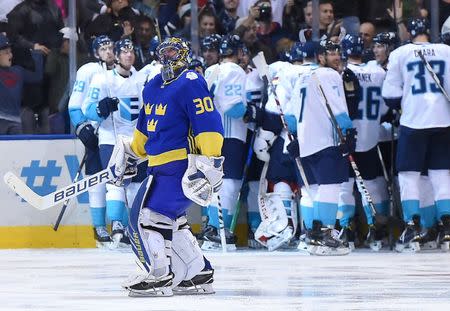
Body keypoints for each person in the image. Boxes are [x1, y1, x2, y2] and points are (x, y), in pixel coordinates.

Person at [108, 37, 224, 296]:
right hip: (157, 167)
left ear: (183, 54)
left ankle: (158, 275)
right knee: (171, 220)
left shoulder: (191, 82)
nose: (169, 57)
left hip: (182, 165)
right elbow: (144, 130)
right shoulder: (152, 86)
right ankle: (197, 272)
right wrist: (131, 151)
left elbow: (208, 122)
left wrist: (211, 160)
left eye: (174, 51)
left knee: (149, 219)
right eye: (164, 52)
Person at [382, 18, 450, 252]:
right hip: (443, 121)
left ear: (409, 32)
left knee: (409, 174)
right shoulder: (446, 51)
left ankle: (413, 224)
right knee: (441, 173)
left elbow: (390, 95)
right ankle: (447, 226)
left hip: (414, 121)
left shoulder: (401, 53)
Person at [293, 39, 354, 256]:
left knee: (313, 191)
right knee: (331, 187)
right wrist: (348, 131)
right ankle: (325, 235)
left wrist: (294, 137)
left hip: (306, 142)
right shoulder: (329, 75)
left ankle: (312, 234)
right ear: (320, 57)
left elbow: (291, 117)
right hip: (326, 140)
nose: (335, 56)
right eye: (330, 53)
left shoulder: (300, 77)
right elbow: (337, 108)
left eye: (337, 52)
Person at [338, 34, 390, 251]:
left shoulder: (340, 74)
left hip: (347, 135)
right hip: (370, 135)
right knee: (372, 184)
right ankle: (377, 229)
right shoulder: (379, 72)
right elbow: (387, 106)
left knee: (345, 186)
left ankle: (346, 229)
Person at [68, 35, 116, 246]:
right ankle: (98, 226)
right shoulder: (88, 71)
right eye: (103, 48)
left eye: (110, 47)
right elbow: (74, 104)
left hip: (119, 135)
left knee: (119, 181)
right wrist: (81, 127)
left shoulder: (123, 71)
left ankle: (119, 226)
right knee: (96, 178)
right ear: (96, 53)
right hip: (96, 133)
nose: (108, 51)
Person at [201, 34, 247, 251]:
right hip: (230, 133)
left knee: (215, 182)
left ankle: (213, 227)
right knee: (229, 183)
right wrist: (254, 114)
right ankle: (216, 228)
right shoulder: (235, 71)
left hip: (209, 134)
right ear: (237, 52)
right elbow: (233, 107)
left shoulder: (211, 70)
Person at [0, 33, 43, 134]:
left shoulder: (18, 71)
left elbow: (37, 77)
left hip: (15, 122)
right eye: (6, 52)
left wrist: (36, 54)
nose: (10, 55)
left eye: (10, 52)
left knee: (16, 148)